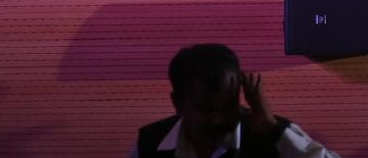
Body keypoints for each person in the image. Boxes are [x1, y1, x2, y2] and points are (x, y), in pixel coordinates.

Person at [132, 43, 338, 157]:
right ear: (177, 103)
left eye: (228, 106)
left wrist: (272, 128)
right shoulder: (150, 144)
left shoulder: (273, 138)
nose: (219, 119)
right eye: (206, 110)